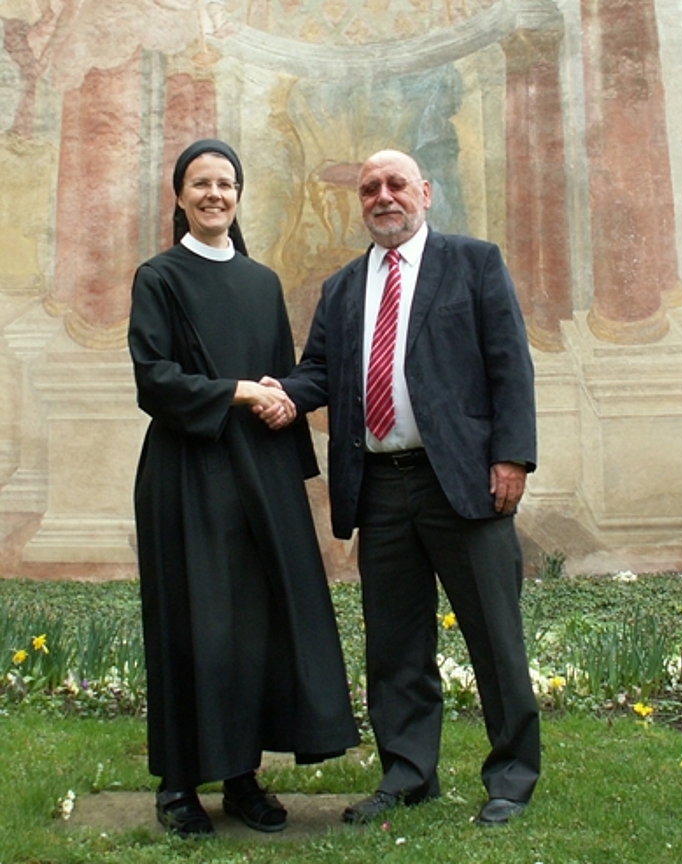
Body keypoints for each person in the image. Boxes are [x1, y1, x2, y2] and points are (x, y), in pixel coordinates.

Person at [260, 149, 540, 827]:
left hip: (464, 485)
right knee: (395, 645)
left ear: (425, 192)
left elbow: (510, 365)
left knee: (495, 638)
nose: (383, 197)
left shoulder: (474, 264)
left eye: (395, 185)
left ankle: (511, 776)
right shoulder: (343, 289)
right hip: (381, 489)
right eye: (369, 189)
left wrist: (513, 459)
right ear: (360, 204)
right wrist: (283, 396)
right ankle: (410, 774)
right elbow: (319, 371)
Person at [128, 139, 359, 839]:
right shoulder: (158, 278)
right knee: (191, 623)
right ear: (179, 197)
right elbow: (154, 381)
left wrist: (286, 410)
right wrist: (236, 392)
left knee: (254, 628)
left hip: (259, 476)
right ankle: (177, 784)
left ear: (238, 195)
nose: (214, 195)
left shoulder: (261, 282)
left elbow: (280, 377)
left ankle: (241, 778)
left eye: (225, 184)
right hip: (186, 472)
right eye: (200, 184)